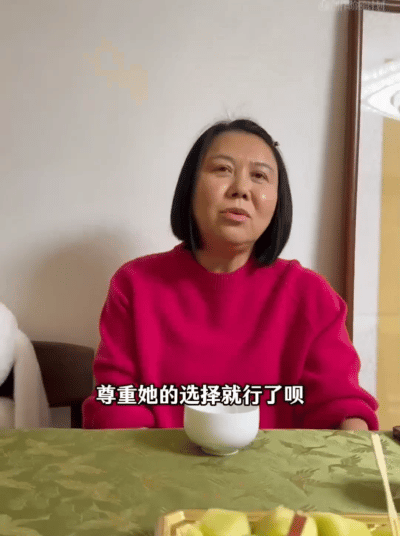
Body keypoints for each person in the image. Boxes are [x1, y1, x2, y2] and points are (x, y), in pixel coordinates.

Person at [82, 118, 379, 431]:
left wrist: (356, 447)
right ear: (190, 187)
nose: (241, 189)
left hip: (280, 464)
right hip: (153, 461)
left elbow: (342, 406)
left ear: (277, 201)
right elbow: (116, 405)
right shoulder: (135, 284)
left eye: (259, 176)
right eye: (222, 169)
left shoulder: (310, 294)